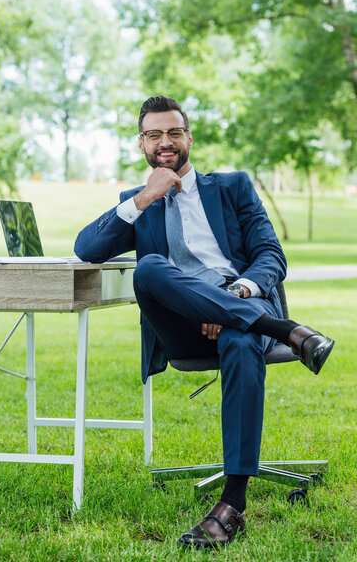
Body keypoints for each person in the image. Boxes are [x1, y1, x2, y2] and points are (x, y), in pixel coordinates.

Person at [74, 95, 334, 550]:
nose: (166, 141)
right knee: (150, 266)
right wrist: (147, 195)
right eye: (154, 134)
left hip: (238, 310)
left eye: (174, 132)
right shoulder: (135, 203)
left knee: (238, 337)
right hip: (182, 326)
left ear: (188, 138)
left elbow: (271, 256)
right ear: (142, 145)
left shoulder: (232, 187)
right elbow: (86, 248)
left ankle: (232, 504)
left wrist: (230, 296)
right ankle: (288, 331)